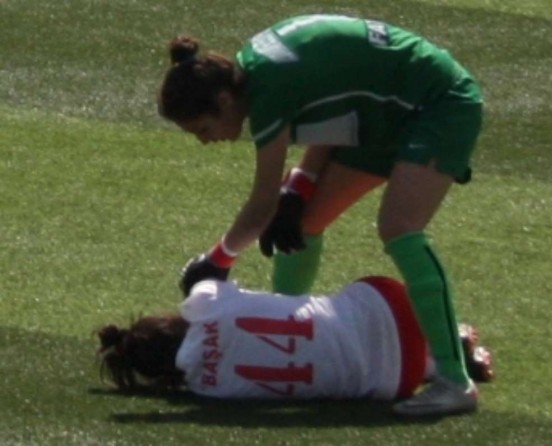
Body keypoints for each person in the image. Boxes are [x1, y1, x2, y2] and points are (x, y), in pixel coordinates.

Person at [157, 14, 484, 416]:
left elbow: (262, 204)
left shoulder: (267, 94)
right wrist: (301, 184)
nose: (205, 142)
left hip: (437, 103)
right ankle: (289, 322)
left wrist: (217, 259)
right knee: (302, 223)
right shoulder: (257, 70)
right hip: (382, 113)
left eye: (202, 129)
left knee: (399, 226)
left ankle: (455, 381)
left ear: (224, 101)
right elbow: (339, 104)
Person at [97, 276, 493, 405]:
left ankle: (434, 366)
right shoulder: (205, 304)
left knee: (354, 367)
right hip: (389, 306)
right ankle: (446, 338)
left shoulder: (208, 389)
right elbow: (209, 279)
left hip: (395, 381)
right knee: (357, 307)